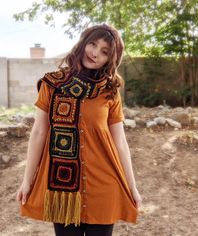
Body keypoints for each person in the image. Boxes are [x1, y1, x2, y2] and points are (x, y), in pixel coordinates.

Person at [16, 23, 142, 236]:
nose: (95, 54)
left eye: (104, 52)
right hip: (63, 189)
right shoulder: (52, 84)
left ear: (110, 59)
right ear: (83, 43)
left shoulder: (109, 91)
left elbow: (120, 142)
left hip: (104, 186)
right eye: (93, 44)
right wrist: (26, 181)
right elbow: (38, 132)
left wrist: (133, 187)